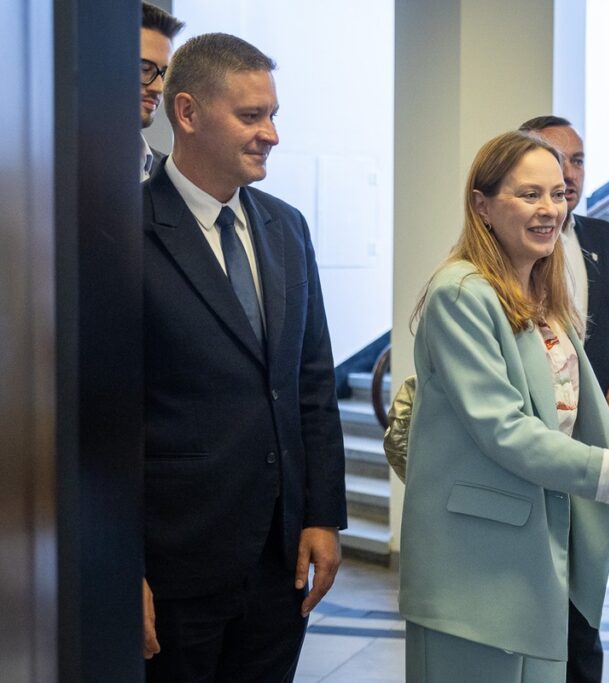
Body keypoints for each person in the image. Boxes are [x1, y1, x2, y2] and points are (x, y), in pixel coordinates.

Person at [399, 130, 609, 683]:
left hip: (539, 556)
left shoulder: (543, 296)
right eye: (529, 194)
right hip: (476, 567)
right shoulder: (461, 294)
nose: (549, 210)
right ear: (481, 206)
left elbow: (575, 420)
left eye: (558, 194)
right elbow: (504, 429)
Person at [141, 33, 346, 681]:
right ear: (188, 113)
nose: (271, 135)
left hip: (279, 558)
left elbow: (311, 381)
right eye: (251, 116)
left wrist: (321, 513)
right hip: (175, 561)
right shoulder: (121, 228)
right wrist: (118, 564)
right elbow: (97, 411)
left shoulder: (286, 228)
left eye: (273, 115)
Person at [519, 116, 609, 434]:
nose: (568, 174)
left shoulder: (607, 239)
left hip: (595, 430)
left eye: (577, 161)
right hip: (530, 431)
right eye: (556, 160)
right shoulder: (507, 252)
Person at [139, 2, 183, 180]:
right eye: (144, 69)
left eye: (164, 74)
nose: (158, 87)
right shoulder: (54, 167)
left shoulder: (169, 180)